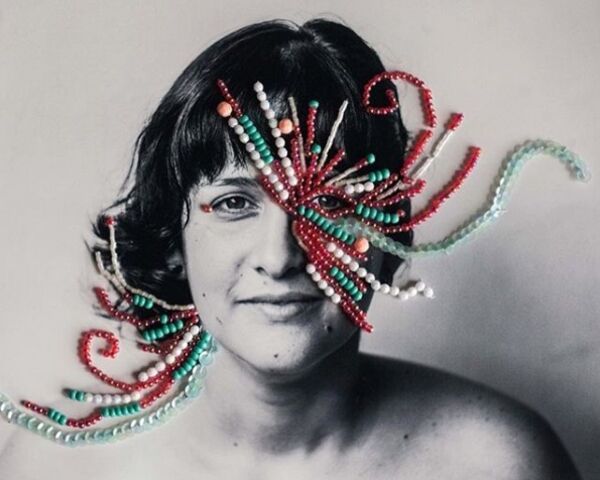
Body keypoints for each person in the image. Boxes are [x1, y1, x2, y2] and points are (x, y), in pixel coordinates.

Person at [0, 18, 580, 479]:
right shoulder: (54, 467)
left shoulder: (500, 463)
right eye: (235, 203)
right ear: (174, 239)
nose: (278, 258)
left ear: (388, 236)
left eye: (329, 205)